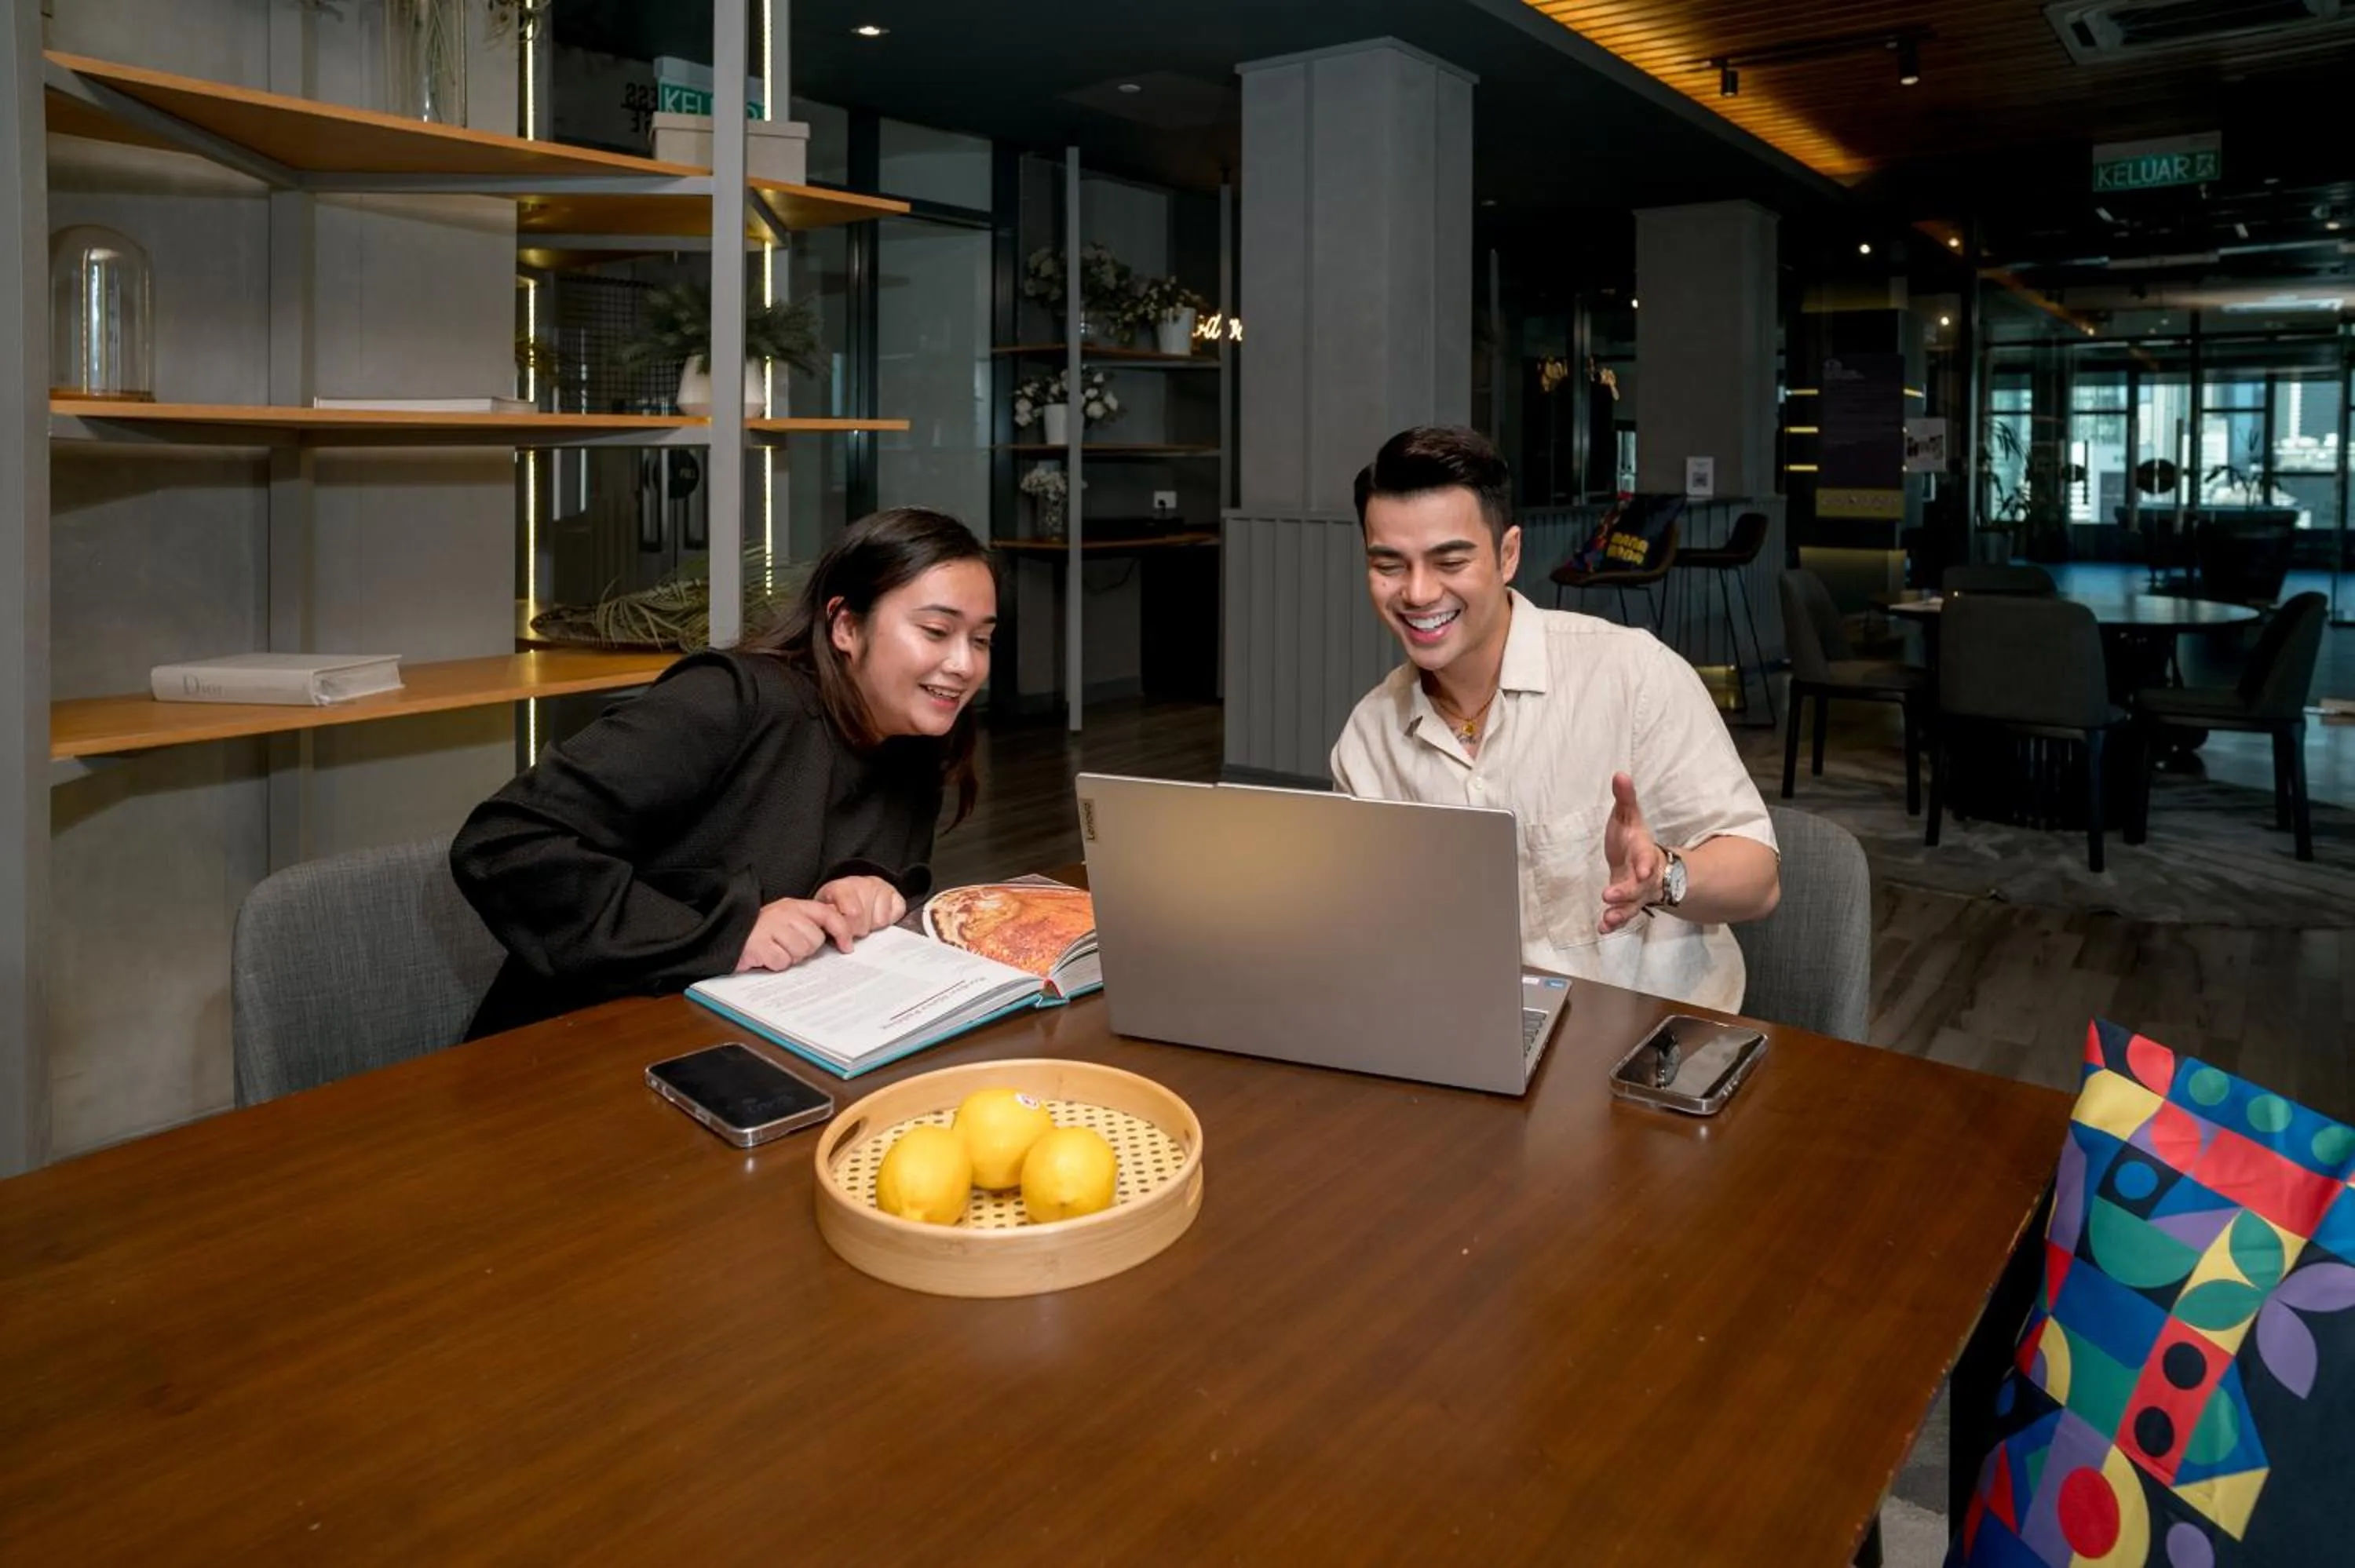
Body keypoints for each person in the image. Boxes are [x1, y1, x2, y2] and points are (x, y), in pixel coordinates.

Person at [451, 506, 996, 1039]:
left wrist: (864, 890)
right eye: (935, 631)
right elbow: (506, 841)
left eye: (980, 640)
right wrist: (729, 934)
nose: (965, 665)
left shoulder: (915, 741)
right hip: (578, 1042)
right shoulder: (733, 700)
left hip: (747, 1041)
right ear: (846, 626)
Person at [1328, 427, 1780, 1013]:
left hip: (1648, 1035)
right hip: (1461, 1029)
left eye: (1450, 561)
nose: (1416, 593)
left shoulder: (1631, 673)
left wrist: (1662, 876)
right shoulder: (1368, 738)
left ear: (1508, 555)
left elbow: (1759, 880)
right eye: (1389, 564)